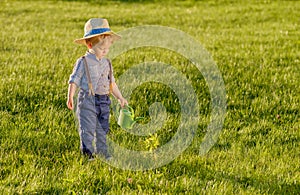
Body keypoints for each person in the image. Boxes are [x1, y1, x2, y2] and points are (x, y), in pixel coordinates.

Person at [67, 18, 128, 160]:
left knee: (102, 128)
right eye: (101, 48)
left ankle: (102, 151)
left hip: (104, 100)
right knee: (87, 128)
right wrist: (70, 96)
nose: (105, 51)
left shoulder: (107, 63)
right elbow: (74, 79)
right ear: (89, 45)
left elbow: (111, 82)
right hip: (87, 100)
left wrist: (120, 97)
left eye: (107, 49)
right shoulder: (83, 61)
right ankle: (88, 154)